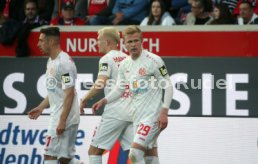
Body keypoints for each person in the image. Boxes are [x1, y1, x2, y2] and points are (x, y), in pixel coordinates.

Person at [92, 25, 173, 164]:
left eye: (136, 41)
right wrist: (104, 100)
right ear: (124, 44)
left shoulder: (154, 60)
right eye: (129, 42)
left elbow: (168, 85)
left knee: (135, 153)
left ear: (142, 41)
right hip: (137, 118)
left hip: (152, 116)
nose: (133, 44)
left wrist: (164, 112)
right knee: (150, 156)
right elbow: (120, 88)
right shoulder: (125, 64)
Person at [79, 27, 133, 164]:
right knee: (134, 153)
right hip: (131, 111)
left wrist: (84, 99)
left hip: (114, 112)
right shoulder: (128, 58)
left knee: (94, 151)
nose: (97, 44)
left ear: (108, 42)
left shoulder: (106, 59)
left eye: (99, 41)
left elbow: (101, 82)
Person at [28, 27, 81, 164]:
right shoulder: (51, 61)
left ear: (51, 42)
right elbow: (56, 91)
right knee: (64, 159)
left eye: (41, 41)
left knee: (49, 156)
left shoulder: (63, 64)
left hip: (63, 118)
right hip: (62, 115)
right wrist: (40, 108)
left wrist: (62, 120)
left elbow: (69, 93)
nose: (38, 44)